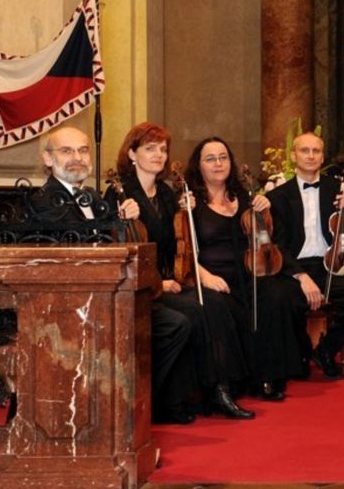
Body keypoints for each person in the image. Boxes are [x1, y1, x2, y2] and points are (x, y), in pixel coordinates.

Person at [33, 126, 200, 423]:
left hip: (108, 296)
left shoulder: (89, 198)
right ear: (48, 158)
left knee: (177, 324)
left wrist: (120, 223)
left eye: (83, 151)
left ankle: (141, 404)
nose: (77, 158)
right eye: (66, 151)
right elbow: (66, 261)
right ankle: (132, 407)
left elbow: (111, 246)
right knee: (174, 324)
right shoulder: (47, 201)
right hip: (75, 305)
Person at [106, 122, 256, 420]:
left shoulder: (164, 193)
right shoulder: (120, 193)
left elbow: (177, 245)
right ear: (132, 153)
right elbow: (117, 252)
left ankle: (219, 390)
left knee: (214, 303)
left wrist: (183, 214)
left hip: (169, 280)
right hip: (142, 286)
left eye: (163, 149)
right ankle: (193, 397)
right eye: (150, 149)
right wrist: (120, 222)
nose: (159, 155)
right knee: (201, 310)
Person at [185, 136, 307, 401]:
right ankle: (241, 378)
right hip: (214, 275)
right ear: (199, 166)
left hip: (248, 271)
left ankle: (269, 376)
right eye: (210, 159)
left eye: (223, 157)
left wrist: (264, 207)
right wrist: (204, 276)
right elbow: (182, 249)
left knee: (276, 295)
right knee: (230, 309)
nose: (218, 163)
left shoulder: (244, 196)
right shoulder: (190, 203)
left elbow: (267, 236)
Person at [268, 132, 344, 379]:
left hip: (330, 266)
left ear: (323, 156)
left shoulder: (338, 190)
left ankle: (326, 349)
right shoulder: (278, 196)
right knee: (285, 302)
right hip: (295, 267)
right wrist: (301, 276)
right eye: (305, 150)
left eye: (316, 151)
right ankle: (303, 351)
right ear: (293, 156)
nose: (311, 156)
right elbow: (277, 246)